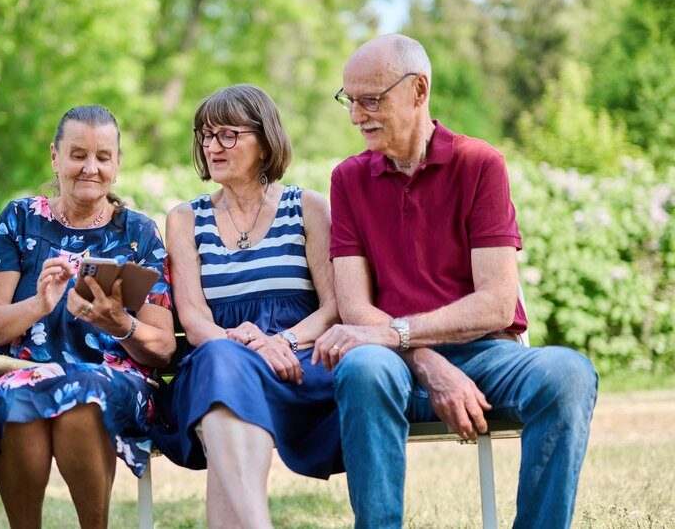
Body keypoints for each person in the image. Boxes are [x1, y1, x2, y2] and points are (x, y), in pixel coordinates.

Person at [315, 34, 598, 528]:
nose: (356, 116)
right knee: (362, 370)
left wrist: (401, 336)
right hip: (394, 364)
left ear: (419, 90)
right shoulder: (348, 180)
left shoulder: (479, 163)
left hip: (487, 354)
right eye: (349, 100)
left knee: (568, 374)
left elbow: (494, 304)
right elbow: (356, 309)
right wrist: (428, 364)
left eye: (371, 100)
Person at [0, 105, 175, 529]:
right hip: (22, 371)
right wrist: (38, 306)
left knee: (84, 393)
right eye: (78, 154)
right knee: (16, 398)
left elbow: (163, 347)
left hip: (111, 381)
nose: (90, 168)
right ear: (55, 157)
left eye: (103, 157)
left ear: (117, 165)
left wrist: (121, 324)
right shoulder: (20, 220)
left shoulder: (139, 233)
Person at [150, 84, 340, 529]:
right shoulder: (185, 218)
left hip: (299, 359)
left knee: (224, 397)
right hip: (221, 352)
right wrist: (250, 345)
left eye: (227, 135)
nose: (212, 146)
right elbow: (194, 319)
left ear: (264, 140)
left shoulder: (309, 207)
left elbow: (333, 306)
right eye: (205, 135)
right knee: (219, 364)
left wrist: (283, 340)